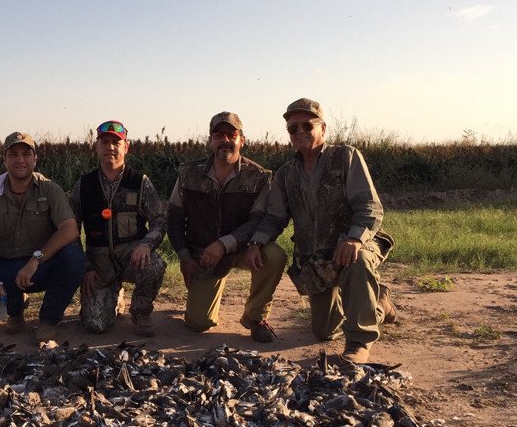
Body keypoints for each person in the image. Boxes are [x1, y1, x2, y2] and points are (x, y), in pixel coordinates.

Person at [245, 98, 397, 364]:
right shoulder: (285, 175)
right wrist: (256, 242)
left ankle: (359, 341)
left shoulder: (346, 157)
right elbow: (274, 218)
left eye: (307, 125)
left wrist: (354, 238)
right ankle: (379, 303)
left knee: (357, 260)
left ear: (323, 128)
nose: (300, 132)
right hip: (317, 259)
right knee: (323, 331)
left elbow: (369, 206)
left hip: (355, 244)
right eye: (293, 128)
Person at [167, 111, 287, 343]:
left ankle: (255, 317)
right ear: (210, 140)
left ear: (241, 139)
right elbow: (173, 219)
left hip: (242, 248)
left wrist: (225, 243)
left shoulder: (259, 176)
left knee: (273, 255)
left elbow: (257, 220)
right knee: (198, 324)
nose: (225, 139)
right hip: (205, 255)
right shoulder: (188, 174)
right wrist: (184, 256)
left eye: (231, 134)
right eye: (218, 134)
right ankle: (207, 292)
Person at [0, 132, 85, 343]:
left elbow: (70, 229)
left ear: (35, 158)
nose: (20, 160)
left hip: (41, 265)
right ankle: (15, 310)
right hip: (6, 266)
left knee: (74, 258)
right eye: (13, 154)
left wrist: (36, 259)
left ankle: (48, 320)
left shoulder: (50, 189)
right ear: (4, 159)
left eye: (26, 154)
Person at [69, 120, 167, 337]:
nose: (110, 147)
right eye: (104, 142)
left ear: (126, 146)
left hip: (133, 257)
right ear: (96, 146)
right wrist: (86, 267)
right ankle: (114, 296)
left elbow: (160, 219)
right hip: (99, 264)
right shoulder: (84, 185)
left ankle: (141, 312)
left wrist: (146, 245)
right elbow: (70, 230)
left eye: (116, 142)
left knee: (154, 265)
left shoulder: (139, 182)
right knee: (95, 324)